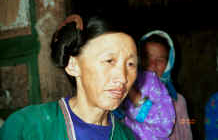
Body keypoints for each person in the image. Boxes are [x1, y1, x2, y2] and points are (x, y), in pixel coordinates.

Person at [0, 13, 138, 140]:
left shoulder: (126, 136)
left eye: (131, 64)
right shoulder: (28, 127)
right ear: (73, 65)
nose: (123, 77)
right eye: (109, 61)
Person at [139, 30, 193, 140]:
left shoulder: (178, 101)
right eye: (147, 57)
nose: (152, 65)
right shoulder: (126, 97)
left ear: (169, 64)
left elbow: (186, 134)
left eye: (160, 60)